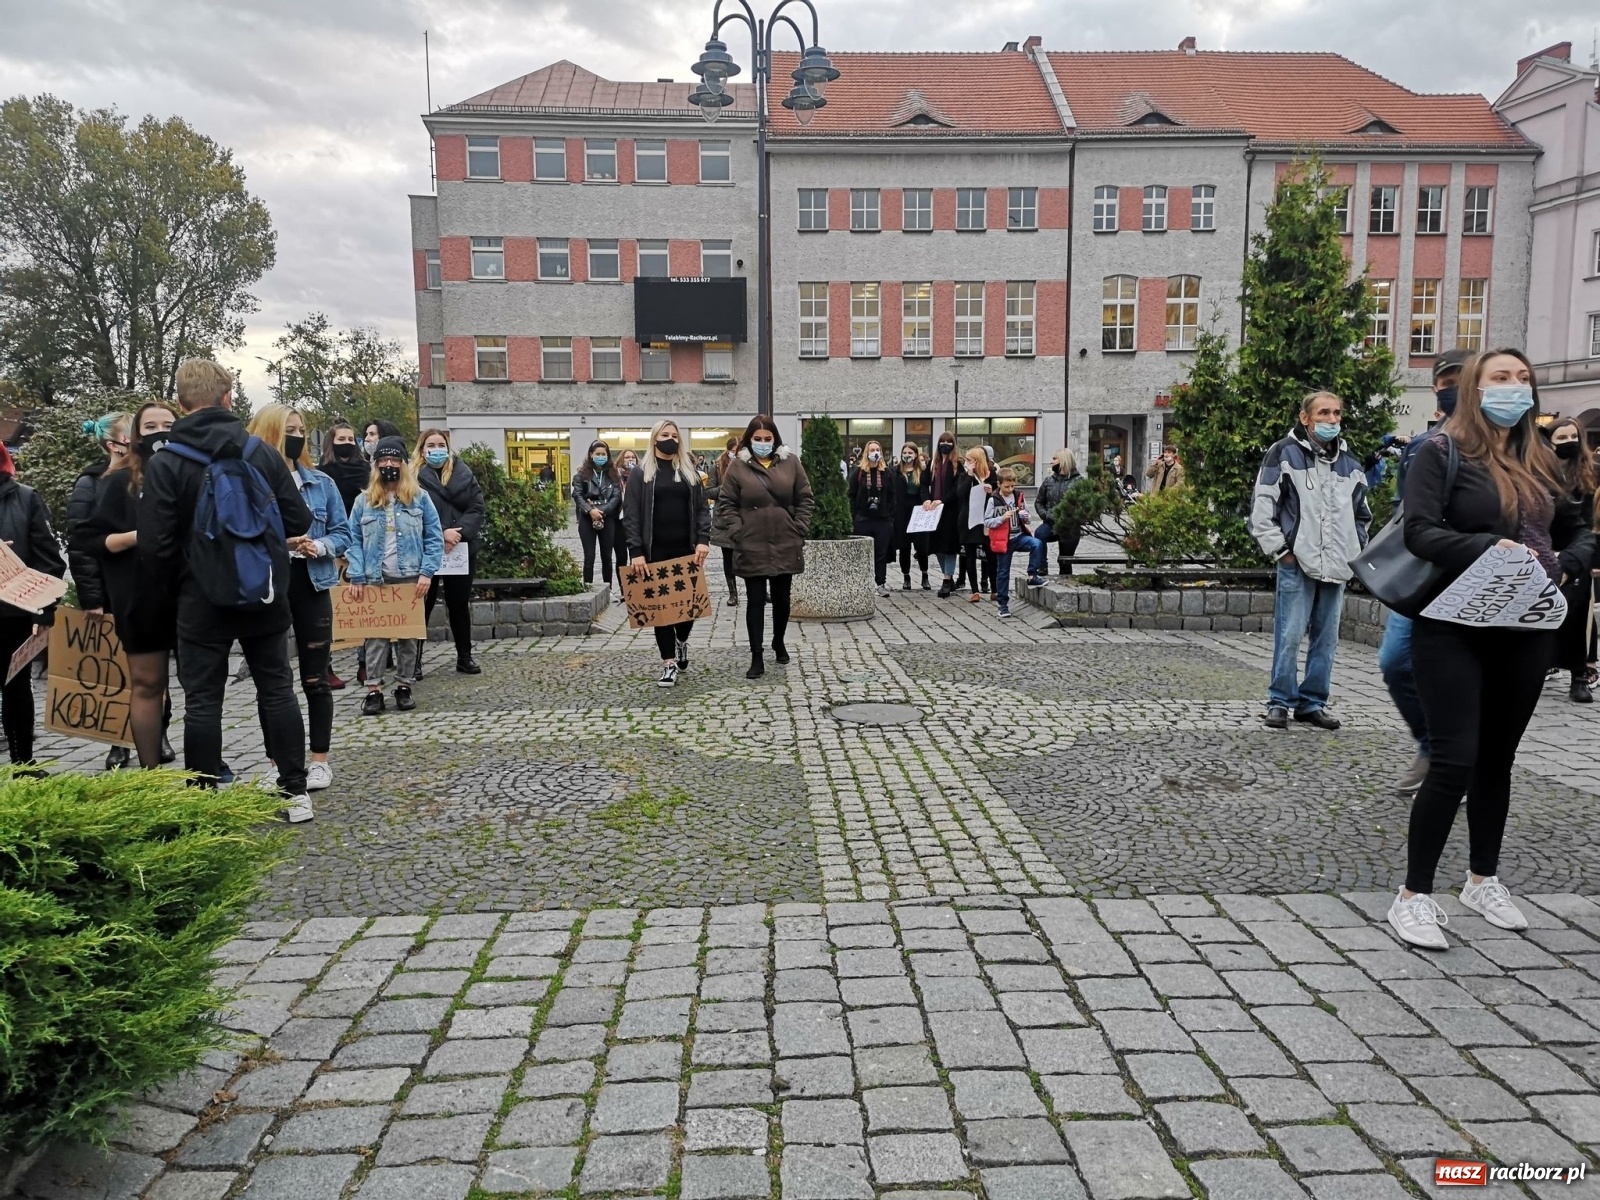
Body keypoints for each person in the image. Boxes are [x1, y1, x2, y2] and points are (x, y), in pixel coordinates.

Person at [1389, 347, 1592, 948]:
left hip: (1526, 625)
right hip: (1453, 622)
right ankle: (1414, 896)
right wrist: (1486, 549)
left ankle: (1482, 879)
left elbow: (1578, 530)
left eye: (1523, 378)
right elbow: (1420, 530)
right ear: (1477, 388)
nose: (1515, 387)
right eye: (1501, 377)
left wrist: (1565, 565)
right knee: (1454, 757)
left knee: (1498, 759)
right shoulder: (1440, 452)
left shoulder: (1541, 460)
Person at [138, 359, 315, 820]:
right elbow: (299, 520)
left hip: (199, 599)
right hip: (262, 591)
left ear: (179, 405)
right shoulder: (260, 452)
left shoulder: (167, 462)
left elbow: (155, 548)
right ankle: (295, 792)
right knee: (276, 687)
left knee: (203, 699)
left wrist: (183, 582)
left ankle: (204, 800)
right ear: (229, 398)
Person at [1250, 390, 1371, 731]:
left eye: (1336, 414)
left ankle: (1313, 702)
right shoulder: (1283, 453)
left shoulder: (1350, 462)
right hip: (1297, 562)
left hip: (1337, 564)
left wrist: (1355, 550)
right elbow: (1263, 506)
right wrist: (1281, 551)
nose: (1332, 420)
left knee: (1327, 639)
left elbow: (1362, 514)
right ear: (1305, 418)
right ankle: (1279, 701)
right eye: (1324, 413)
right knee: (1289, 635)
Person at [247, 405, 351, 793]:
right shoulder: (250, 480)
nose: (297, 436)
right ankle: (277, 763)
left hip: (312, 582)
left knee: (316, 676)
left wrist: (321, 545)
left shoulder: (321, 482)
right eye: (289, 429)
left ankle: (319, 760)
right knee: (271, 681)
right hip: (269, 584)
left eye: (302, 429)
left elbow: (342, 532)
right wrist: (279, 542)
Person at [73, 404, 180, 770]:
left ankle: (207, 773)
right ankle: (152, 776)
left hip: (191, 595)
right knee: (148, 685)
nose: (159, 431)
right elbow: (92, 540)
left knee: (201, 688)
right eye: (150, 426)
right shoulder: (117, 481)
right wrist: (139, 536)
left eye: (168, 424)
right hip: (140, 599)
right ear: (135, 436)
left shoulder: (196, 474)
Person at [346, 437, 444, 715]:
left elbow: (434, 537)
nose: (389, 464)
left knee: (408, 637)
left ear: (403, 463)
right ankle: (373, 690)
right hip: (375, 578)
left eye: (394, 460)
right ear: (376, 465)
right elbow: (352, 539)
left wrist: (427, 572)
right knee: (375, 638)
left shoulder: (420, 498)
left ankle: (404, 685)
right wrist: (356, 574)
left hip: (409, 577)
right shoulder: (363, 500)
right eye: (383, 460)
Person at [718, 416, 814, 678]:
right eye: (757, 439)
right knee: (756, 601)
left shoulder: (791, 462)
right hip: (752, 541)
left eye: (767, 439)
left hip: (785, 539)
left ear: (775, 439)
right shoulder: (738, 467)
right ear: (750, 439)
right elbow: (726, 502)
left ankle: (778, 640)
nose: (762, 443)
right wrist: (737, 530)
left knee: (782, 600)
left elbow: (805, 497)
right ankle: (756, 655)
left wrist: (800, 526)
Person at [622, 419, 711, 688]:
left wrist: (703, 539)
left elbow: (702, 509)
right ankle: (668, 663)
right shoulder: (641, 473)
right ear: (654, 438)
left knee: (687, 611)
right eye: (665, 434)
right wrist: (636, 551)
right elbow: (632, 515)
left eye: (674, 435)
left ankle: (681, 641)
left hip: (686, 550)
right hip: (654, 551)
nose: (670, 438)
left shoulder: (689, 472)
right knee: (661, 612)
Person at [67, 414, 128, 769]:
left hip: (144, 590)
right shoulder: (90, 484)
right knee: (115, 671)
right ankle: (118, 741)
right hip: (111, 591)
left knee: (150, 671)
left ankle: (158, 729)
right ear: (113, 443)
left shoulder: (147, 477)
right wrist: (93, 599)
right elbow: (81, 544)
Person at [0, 443, 65, 772]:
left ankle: (23, 763)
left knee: (16, 687)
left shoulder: (25, 498)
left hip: (14, 613)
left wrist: (44, 608)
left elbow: (48, 558)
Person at [415, 429, 486, 675]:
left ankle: (464, 657)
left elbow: (477, 507)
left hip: (460, 547)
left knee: (459, 604)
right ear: (422, 449)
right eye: (431, 445)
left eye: (441, 444)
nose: (437, 449)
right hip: (428, 549)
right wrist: (442, 532)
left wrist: (459, 532)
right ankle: (414, 660)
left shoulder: (463, 473)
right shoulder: (412, 477)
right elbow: (411, 514)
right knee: (423, 604)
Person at [1546, 418, 1596, 703]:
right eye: (1561, 437)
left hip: (1579, 550)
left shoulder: (1590, 473)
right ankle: (1545, 661)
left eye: (1572, 436)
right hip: (1545, 548)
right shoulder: (1542, 471)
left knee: (1579, 615)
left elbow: (1590, 521)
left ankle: (1581, 674)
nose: (1568, 442)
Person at [982, 468, 1045, 618]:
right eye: (1007, 487)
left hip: (1018, 536)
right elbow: (986, 521)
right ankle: (1002, 605)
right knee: (1003, 573)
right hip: (1003, 540)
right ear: (999, 484)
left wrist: (1025, 517)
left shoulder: (1018, 496)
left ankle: (1032, 575)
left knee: (1037, 544)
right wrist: (1002, 518)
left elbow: (1028, 516)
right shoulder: (993, 500)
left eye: (1012, 486)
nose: (1010, 489)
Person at [573, 438, 622, 592]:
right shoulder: (581, 475)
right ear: (591, 455)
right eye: (597, 453)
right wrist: (590, 510)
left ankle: (608, 590)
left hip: (607, 518)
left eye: (604, 454)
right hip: (587, 519)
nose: (601, 456)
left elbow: (616, 496)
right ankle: (588, 589)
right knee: (589, 557)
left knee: (607, 557)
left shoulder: (613, 474)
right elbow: (577, 495)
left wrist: (603, 511)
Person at [850, 441, 896, 598]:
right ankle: (862, 583)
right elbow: (851, 495)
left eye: (878, 449)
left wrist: (890, 516)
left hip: (882, 520)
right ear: (866, 453)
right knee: (862, 553)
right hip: (863, 519)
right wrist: (854, 516)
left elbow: (892, 496)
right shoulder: (858, 473)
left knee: (881, 553)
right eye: (872, 450)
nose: (875, 452)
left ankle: (880, 583)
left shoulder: (887, 473)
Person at [924, 433, 966, 598]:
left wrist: (943, 500)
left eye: (949, 441)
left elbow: (957, 488)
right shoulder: (933, 463)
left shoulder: (958, 464)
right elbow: (923, 483)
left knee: (949, 547)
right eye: (943, 441)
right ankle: (948, 576)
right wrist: (926, 499)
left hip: (950, 510)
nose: (945, 444)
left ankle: (947, 579)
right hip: (934, 511)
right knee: (936, 547)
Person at [1031, 449, 1081, 578]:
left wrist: (1072, 517)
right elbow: (1038, 502)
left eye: (1054, 459)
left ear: (1063, 460)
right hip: (1051, 523)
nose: (1051, 462)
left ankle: (1065, 583)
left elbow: (1083, 506)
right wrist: (1046, 515)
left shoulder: (1079, 482)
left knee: (1064, 561)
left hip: (1070, 527)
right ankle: (1042, 566)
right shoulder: (1049, 481)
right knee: (1039, 534)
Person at [960, 446, 996, 603]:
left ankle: (994, 588)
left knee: (990, 554)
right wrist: (969, 474)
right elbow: (960, 493)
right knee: (970, 555)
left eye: (970, 460)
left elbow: (1000, 492)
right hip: (969, 519)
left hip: (986, 520)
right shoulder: (964, 475)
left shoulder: (991, 474)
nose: (968, 463)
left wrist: (991, 490)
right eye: (967, 460)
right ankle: (975, 590)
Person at [708, 436, 740, 607]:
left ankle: (760, 591)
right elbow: (709, 492)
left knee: (752, 555)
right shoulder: (717, 467)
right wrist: (726, 486)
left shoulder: (748, 465)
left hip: (745, 517)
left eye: (739, 451)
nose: (736, 454)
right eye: (734, 451)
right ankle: (732, 593)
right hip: (724, 519)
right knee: (728, 557)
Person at [894, 443, 930, 590]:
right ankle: (906, 576)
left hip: (918, 511)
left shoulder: (921, 471)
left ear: (916, 455)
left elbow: (925, 490)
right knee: (904, 546)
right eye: (905, 452)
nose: (907, 455)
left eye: (910, 452)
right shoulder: (896, 471)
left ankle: (925, 574)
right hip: (902, 512)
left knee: (921, 546)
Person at [322, 421, 370, 514]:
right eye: (341, 439)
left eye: (351, 439)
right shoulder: (322, 472)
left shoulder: (366, 469)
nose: (347, 442)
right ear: (331, 442)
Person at [613, 449, 639, 592]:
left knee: (636, 555)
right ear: (621, 460)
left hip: (635, 519)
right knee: (621, 556)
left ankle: (635, 589)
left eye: (632, 457)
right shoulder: (615, 476)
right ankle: (624, 589)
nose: (630, 459)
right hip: (620, 519)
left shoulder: (640, 474)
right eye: (627, 457)